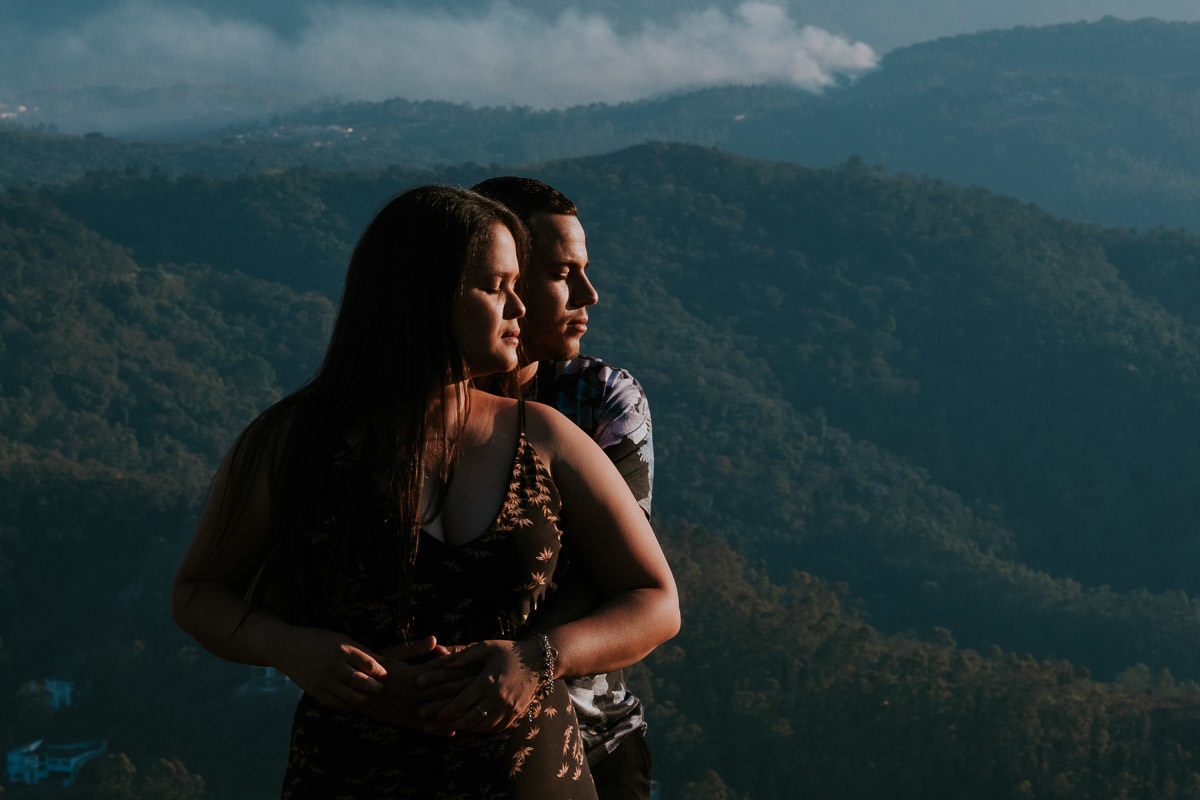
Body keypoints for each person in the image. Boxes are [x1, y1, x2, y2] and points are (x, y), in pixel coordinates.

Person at [172, 185, 679, 799]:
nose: (520, 307)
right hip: (350, 776)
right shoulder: (291, 444)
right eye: (497, 287)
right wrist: (290, 649)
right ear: (423, 297)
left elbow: (655, 600)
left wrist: (538, 659)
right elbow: (199, 592)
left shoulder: (547, 436)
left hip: (535, 776)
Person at [472, 177, 656, 800]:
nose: (589, 294)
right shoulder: (403, 416)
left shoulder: (599, 399)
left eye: (584, 270)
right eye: (560, 273)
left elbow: (611, 579)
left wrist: (520, 662)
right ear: (501, 280)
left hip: (590, 738)